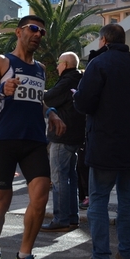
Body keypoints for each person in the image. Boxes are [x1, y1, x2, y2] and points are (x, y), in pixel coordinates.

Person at [0, 15, 65, 259]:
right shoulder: (2, 62)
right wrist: (0, 91)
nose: (38, 34)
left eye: (42, 32)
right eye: (33, 29)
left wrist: (52, 113)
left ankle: (25, 253)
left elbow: (37, 100)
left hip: (35, 141)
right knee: (2, 203)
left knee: (40, 198)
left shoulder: (40, 69)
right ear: (18, 32)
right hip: (5, 140)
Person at [73, 23, 130, 259]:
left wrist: (77, 96)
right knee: (128, 200)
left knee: (98, 199)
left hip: (104, 146)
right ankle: (126, 252)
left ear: (104, 41)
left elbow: (83, 103)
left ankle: (101, 254)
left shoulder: (98, 64)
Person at [40, 51, 86, 232]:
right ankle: (73, 218)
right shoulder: (81, 79)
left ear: (65, 65)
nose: (57, 67)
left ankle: (61, 219)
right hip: (76, 135)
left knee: (59, 179)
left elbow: (49, 97)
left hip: (62, 135)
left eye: (59, 64)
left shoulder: (67, 81)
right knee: (71, 179)